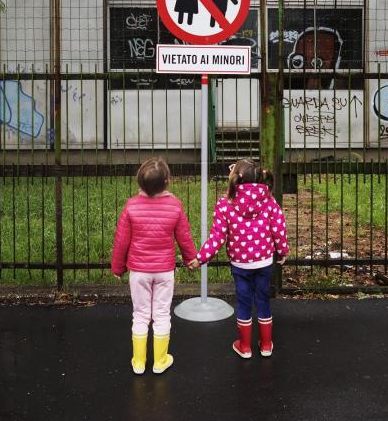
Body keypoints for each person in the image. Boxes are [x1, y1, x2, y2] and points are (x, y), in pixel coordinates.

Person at [193, 159, 289, 358]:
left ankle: (245, 347)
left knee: (244, 302)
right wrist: (283, 250)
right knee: (263, 301)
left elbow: (217, 236)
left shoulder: (225, 203)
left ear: (236, 178)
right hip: (264, 261)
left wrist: (201, 258)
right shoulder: (269, 200)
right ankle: (266, 345)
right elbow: (278, 229)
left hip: (240, 264)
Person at [111, 157, 197, 375]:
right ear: (167, 182)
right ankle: (160, 361)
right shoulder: (175, 206)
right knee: (161, 313)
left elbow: (122, 240)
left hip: (138, 271)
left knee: (140, 314)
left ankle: (139, 362)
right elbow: (184, 237)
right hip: (164, 270)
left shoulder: (131, 206)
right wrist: (190, 259)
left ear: (139, 182)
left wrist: (118, 267)